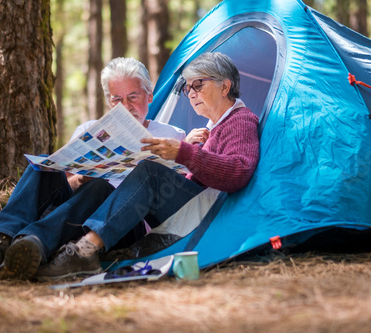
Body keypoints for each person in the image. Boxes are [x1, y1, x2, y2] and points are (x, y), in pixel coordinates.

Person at [33, 52, 260, 281]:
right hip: (194, 212)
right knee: (125, 177)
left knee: (149, 171)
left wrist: (183, 152)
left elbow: (239, 172)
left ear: (225, 86)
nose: (191, 93)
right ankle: (45, 245)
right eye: (187, 88)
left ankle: (83, 251)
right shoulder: (214, 126)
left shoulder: (240, 120)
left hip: (210, 218)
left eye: (198, 85)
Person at [0, 57, 185, 280]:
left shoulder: (171, 136)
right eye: (117, 99)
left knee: (101, 188)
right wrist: (79, 179)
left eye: (133, 97)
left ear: (150, 95)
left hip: (121, 227)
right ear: (108, 101)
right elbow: (66, 185)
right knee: (44, 166)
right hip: (77, 215)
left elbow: (170, 196)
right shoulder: (89, 129)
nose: (126, 106)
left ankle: (32, 242)